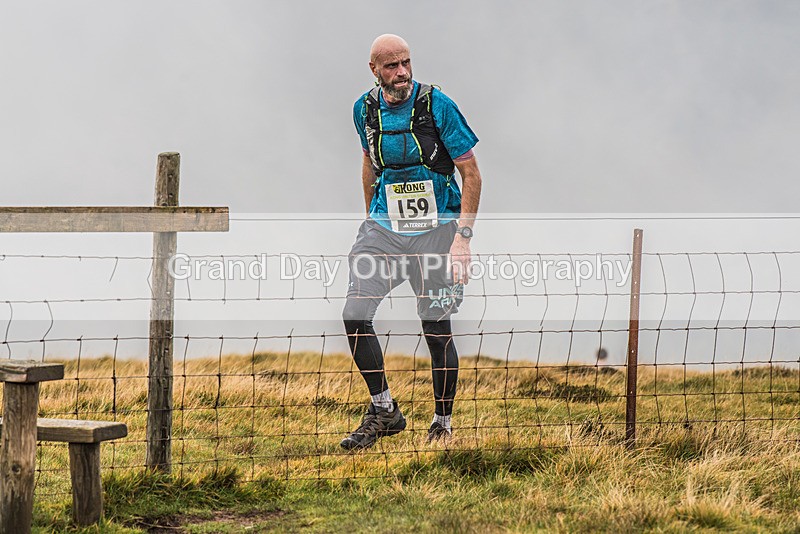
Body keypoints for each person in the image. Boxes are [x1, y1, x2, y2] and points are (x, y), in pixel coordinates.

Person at [340, 34, 483, 450]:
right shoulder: (364, 110)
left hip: (437, 232)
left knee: (436, 329)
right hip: (385, 230)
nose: (401, 72)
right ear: (374, 70)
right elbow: (369, 163)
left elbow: (471, 173)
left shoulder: (438, 106)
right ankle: (384, 410)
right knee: (354, 315)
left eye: (406, 62)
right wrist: (371, 218)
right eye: (391, 66)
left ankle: (442, 423)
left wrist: (462, 239)